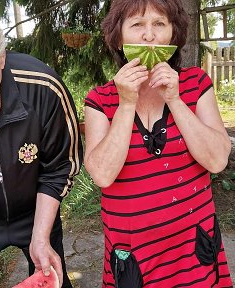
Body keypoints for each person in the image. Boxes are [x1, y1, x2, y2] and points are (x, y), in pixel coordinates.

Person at [84, 0, 233, 287]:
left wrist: (174, 99)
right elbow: (102, 174)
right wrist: (126, 103)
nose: (149, 36)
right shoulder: (99, 100)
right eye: (137, 25)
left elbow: (217, 160)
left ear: (173, 35)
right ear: (118, 37)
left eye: (159, 24)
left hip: (194, 252)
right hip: (134, 258)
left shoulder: (196, 84)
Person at [0, 1, 83, 288]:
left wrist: (41, 236)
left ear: (1, 58)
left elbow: (59, 168)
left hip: (36, 210)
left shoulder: (43, 87)